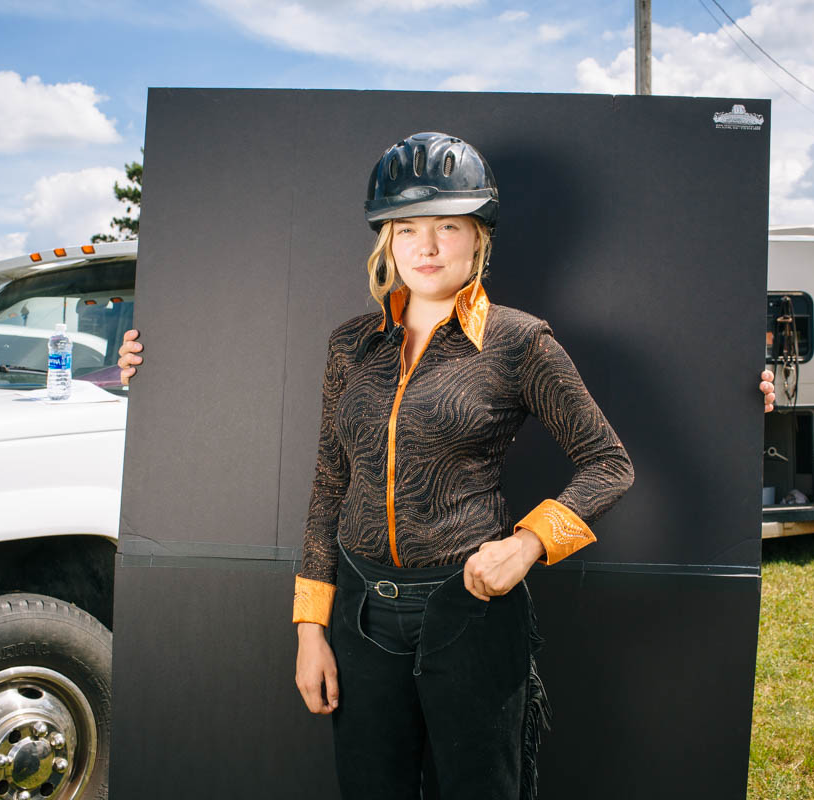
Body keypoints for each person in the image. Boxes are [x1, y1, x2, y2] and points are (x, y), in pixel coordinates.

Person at [116, 132, 770, 797]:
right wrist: (311, 629)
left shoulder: (519, 341)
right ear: (387, 240)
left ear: (478, 236)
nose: (425, 248)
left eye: (447, 227)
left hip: (471, 615)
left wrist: (528, 544)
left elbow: (610, 464)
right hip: (362, 621)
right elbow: (327, 485)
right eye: (407, 229)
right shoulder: (351, 344)